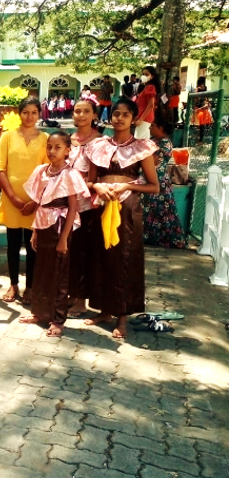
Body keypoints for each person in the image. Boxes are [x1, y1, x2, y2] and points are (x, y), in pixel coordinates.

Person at [85, 98, 159, 339]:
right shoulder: (98, 145)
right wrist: (97, 187)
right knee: (101, 256)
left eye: (125, 115)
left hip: (127, 208)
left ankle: (122, 317)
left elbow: (153, 186)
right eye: (116, 113)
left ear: (134, 119)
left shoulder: (142, 148)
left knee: (124, 258)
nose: (119, 118)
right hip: (101, 205)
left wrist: (127, 186)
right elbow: (89, 180)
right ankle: (104, 311)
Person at [18, 131, 89, 337]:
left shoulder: (70, 174)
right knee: (41, 270)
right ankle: (40, 312)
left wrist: (64, 238)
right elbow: (40, 203)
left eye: (58, 147)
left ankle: (58, 319)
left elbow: (73, 208)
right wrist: (35, 232)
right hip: (43, 226)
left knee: (59, 273)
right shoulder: (42, 171)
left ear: (67, 150)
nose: (52, 151)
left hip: (60, 226)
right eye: (49, 146)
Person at [0, 96, 49, 304]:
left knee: (33, 246)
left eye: (34, 112)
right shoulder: (7, 137)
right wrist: (13, 197)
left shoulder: (45, 139)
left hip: (36, 201)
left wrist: (36, 200)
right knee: (13, 244)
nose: (29, 116)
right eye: (25, 112)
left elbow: (48, 172)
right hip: (12, 200)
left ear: (39, 114)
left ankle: (31, 287)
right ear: (19, 114)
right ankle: (13, 284)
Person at [67, 98, 104, 317]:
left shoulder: (100, 142)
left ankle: (81, 300)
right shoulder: (67, 140)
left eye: (86, 111)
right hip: (66, 203)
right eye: (77, 111)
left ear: (94, 115)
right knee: (70, 251)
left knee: (82, 252)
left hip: (87, 205)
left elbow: (96, 177)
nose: (81, 115)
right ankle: (72, 293)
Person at [142, 113, 187, 249]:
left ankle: (167, 240)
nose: (150, 128)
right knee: (148, 209)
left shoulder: (165, 144)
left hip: (159, 181)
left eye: (153, 126)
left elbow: (153, 161)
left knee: (162, 211)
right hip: (148, 179)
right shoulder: (152, 141)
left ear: (160, 128)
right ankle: (148, 237)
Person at [134, 65, 160, 140]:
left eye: (147, 74)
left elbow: (150, 105)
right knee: (143, 140)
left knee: (139, 140)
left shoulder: (150, 87)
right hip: (143, 117)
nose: (144, 76)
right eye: (143, 74)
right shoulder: (146, 87)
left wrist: (140, 120)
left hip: (145, 118)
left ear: (152, 76)